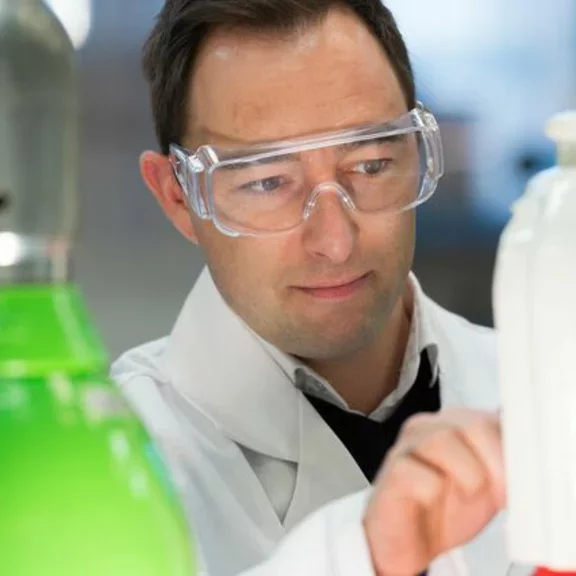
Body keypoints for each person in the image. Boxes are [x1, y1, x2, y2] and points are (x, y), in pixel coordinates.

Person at [111, 1, 509, 574]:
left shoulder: (539, 389)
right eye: (267, 181)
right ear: (178, 198)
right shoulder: (107, 461)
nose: (335, 241)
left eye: (371, 165)